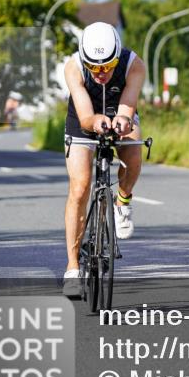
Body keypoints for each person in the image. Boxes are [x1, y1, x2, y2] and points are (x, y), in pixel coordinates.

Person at [62, 23, 146, 297]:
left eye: (107, 66)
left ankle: (123, 201)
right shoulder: (73, 67)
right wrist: (95, 121)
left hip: (119, 110)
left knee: (133, 151)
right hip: (83, 119)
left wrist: (122, 120)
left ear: (117, 57)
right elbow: (86, 116)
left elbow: (128, 106)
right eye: (94, 67)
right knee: (80, 188)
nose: (100, 73)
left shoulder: (134, 65)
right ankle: (72, 267)